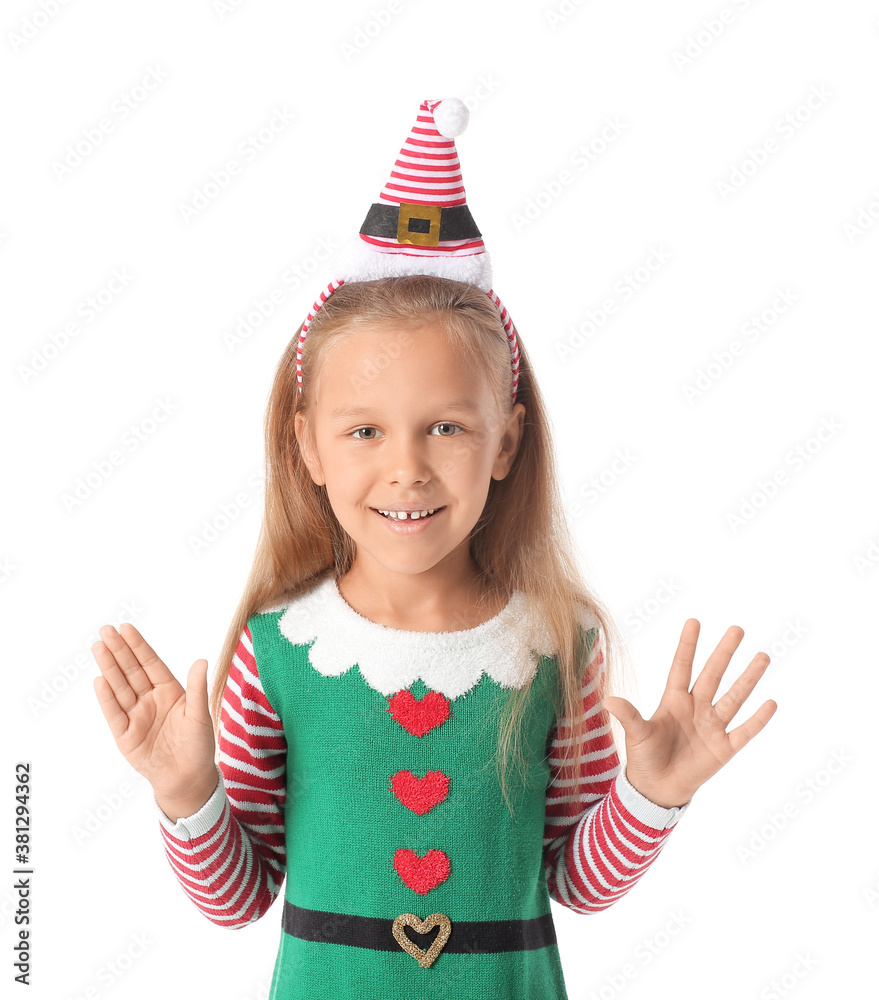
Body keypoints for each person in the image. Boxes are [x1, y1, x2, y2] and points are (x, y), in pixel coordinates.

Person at [91, 98, 777, 1000]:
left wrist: (654, 795)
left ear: (504, 441)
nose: (406, 469)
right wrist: (187, 792)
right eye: (365, 430)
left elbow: (577, 883)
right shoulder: (275, 652)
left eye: (445, 427)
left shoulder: (559, 645)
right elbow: (239, 899)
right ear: (307, 445)